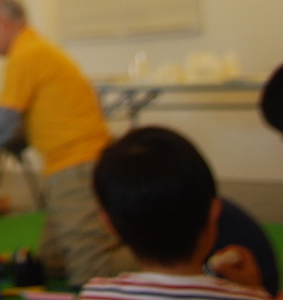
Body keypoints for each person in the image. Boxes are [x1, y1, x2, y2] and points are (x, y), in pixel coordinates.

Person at [0, 0, 136, 287]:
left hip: (77, 164)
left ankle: (160, 259)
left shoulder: (26, 54)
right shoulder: (36, 50)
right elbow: (18, 129)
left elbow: (5, 122)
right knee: (53, 261)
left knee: (88, 267)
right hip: (68, 163)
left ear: (1, 23)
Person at [78, 126, 272, 300]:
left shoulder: (95, 294)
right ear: (214, 213)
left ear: (109, 224)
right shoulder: (251, 297)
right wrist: (254, 290)